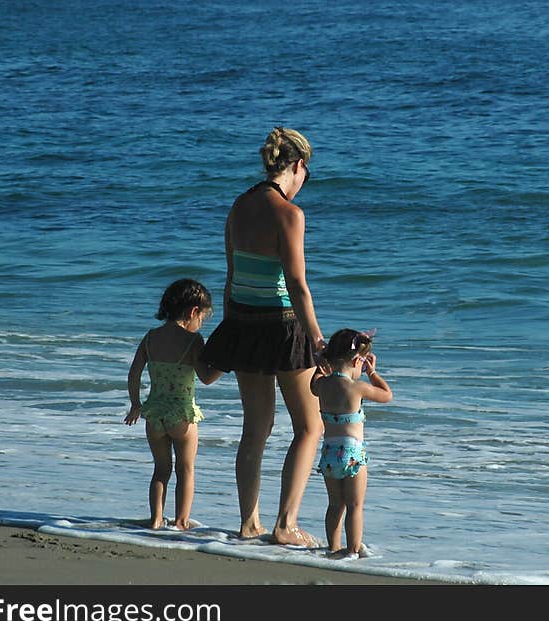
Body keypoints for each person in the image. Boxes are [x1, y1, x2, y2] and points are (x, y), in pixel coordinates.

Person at [200, 126, 326, 547]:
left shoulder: (239, 206)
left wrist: (231, 331)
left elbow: (231, 277)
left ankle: (248, 523)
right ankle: (285, 524)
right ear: (298, 165)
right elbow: (297, 284)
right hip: (284, 325)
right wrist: (318, 339)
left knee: (256, 427)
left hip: (244, 323)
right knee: (310, 427)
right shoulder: (289, 214)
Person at [125, 279, 222, 531]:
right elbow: (207, 378)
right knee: (186, 470)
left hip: (154, 413)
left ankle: (156, 520)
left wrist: (136, 403)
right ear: (193, 312)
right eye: (202, 317)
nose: (201, 323)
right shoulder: (193, 341)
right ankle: (181, 521)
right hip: (181, 414)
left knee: (160, 470)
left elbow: (134, 372)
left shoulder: (150, 338)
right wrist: (226, 362)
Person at [311, 329, 392, 558]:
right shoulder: (358, 387)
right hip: (352, 453)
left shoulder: (324, 385)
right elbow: (387, 395)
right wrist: (372, 372)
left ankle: (333, 547)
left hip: (328, 453)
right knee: (355, 506)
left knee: (335, 504)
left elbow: (313, 386)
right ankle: (353, 550)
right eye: (362, 363)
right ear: (358, 360)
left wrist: (319, 367)